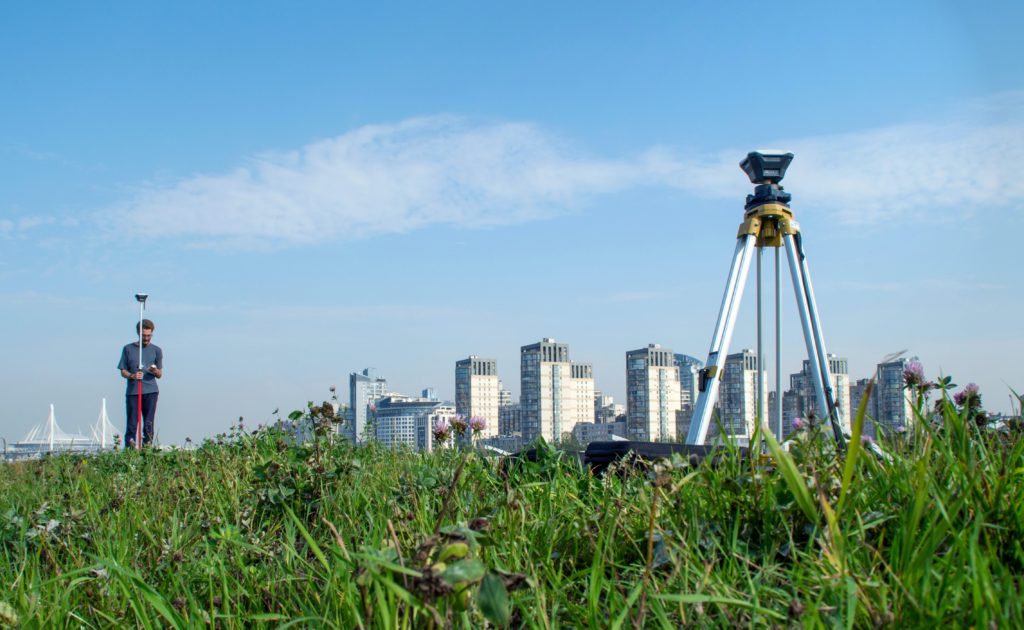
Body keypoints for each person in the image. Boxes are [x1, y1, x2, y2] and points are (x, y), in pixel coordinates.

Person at [117, 319, 163, 448]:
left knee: (148, 423)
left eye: (149, 335)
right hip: (133, 392)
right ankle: (130, 448)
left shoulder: (157, 350)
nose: (147, 338)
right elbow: (123, 371)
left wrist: (155, 371)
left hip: (151, 392)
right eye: (144, 336)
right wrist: (132, 375)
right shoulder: (128, 349)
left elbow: (160, 374)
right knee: (132, 423)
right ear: (138, 333)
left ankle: (147, 448)